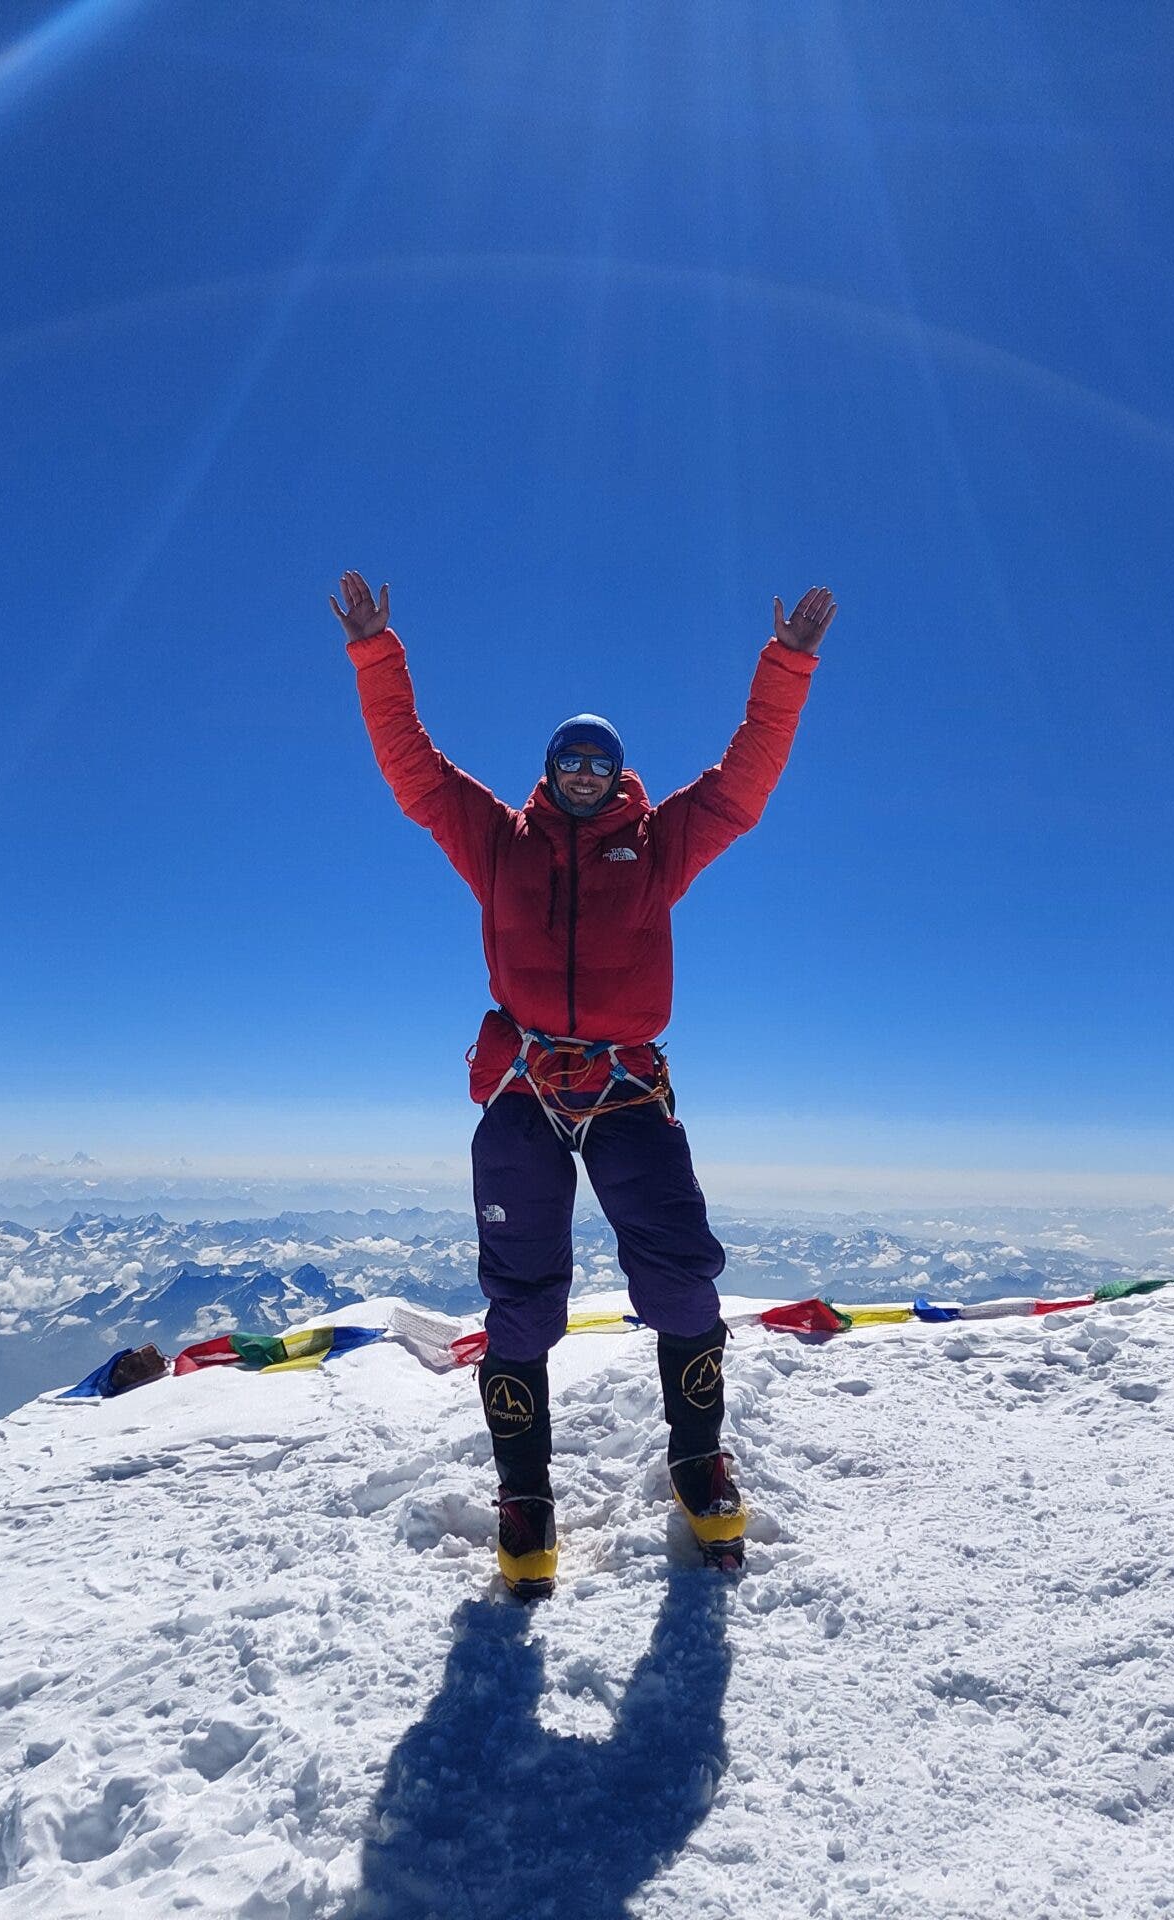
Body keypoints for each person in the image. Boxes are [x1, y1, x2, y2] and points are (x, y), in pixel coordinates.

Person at [333, 569, 836, 1596]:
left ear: (620, 776)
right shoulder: (498, 843)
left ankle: (699, 1464)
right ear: (547, 770)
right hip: (524, 1085)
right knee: (519, 1308)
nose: (583, 775)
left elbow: (740, 784)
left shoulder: (656, 848)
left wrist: (787, 665)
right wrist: (377, 655)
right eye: (569, 760)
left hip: (625, 1090)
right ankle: (526, 1498)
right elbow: (419, 776)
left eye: (600, 763)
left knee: (683, 1282)